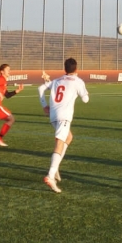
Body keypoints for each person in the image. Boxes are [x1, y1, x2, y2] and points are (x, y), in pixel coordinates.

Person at [41, 58, 89, 193]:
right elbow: (86, 100)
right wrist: (85, 93)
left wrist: (44, 104)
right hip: (64, 117)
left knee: (68, 137)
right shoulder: (78, 81)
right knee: (59, 142)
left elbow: (42, 88)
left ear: (65, 68)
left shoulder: (57, 80)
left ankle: (55, 168)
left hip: (54, 115)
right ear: (76, 68)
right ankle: (50, 175)